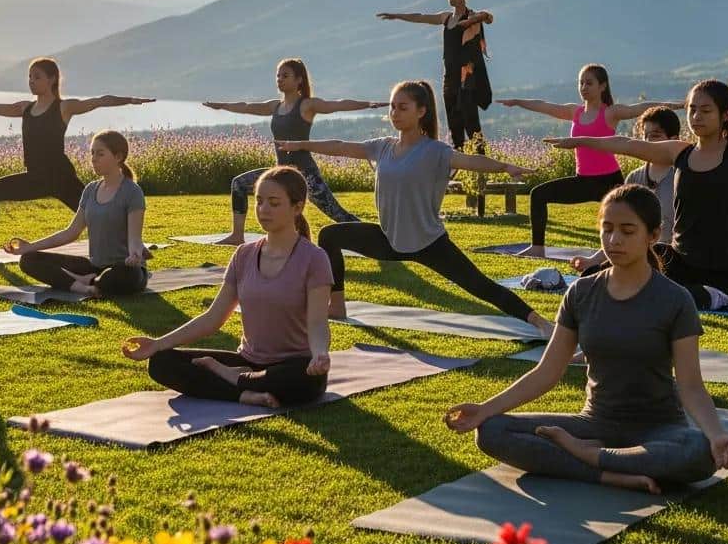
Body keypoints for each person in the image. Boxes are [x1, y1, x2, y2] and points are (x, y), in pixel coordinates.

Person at [445, 184, 728, 494]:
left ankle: (590, 457)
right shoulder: (582, 293)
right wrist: (485, 409)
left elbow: (691, 386)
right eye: (607, 229)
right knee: (492, 430)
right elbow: (547, 372)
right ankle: (609, 473)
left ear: (653, 235)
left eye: (628, 231)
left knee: (697, 451)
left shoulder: (675, 300)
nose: (614, 240)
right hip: (594, 424)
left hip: (658, 429)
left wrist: (716, 434)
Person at [544, 79, 728, 361]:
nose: (696, 117)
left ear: (725, 114)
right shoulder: (678, 152)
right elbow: (627, 144)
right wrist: (580, 140)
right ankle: (589, 347)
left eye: (705, 110)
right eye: (692, 109)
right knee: (599, 277)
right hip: (681, 260)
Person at [277, 80, 552, 334]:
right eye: (393, 107)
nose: (395, 113)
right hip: (388, 239)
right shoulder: (382, 147)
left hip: (429, 242)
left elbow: (470, 161)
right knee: (330, 235)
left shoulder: (435, 151)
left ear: (421, 111)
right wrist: (301, 144)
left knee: (481, 286)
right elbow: (339, 146)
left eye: (403, 107)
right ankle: (336, 306)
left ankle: (541, 322)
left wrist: (505, 167)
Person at [122, 166, 332, 408]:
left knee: (304, 380)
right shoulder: (244, 255)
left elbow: (317, 322)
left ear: (297, 207)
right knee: (161, 362)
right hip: (248, 360)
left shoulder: (314, 259)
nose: (263, 210)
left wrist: (319, 354)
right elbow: (213, 317)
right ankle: (244, 392)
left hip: (292, 364)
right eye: (260, 201)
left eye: (274, 203)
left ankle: (233, 378)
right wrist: (158, 343)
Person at [0, 57, 154, 260]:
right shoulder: (25, 108)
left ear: (52, 79)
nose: (31, 82)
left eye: (37, 77)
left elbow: (100, 101)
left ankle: (136, 245)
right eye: (29, 77)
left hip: (61, 177)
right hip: (35, 178)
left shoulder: (63, 108)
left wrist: (132, 100)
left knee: (99, 212)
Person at [498, 65, 684, 256]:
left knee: (629, 216)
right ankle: (537, 248)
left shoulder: (610, 113)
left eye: (589, 83)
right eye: (581, 83)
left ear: (602, 86)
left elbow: (642, 108)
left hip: (610, 180)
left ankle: (638, 249)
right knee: (538, 194)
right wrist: (518, 101)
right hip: (583, 180)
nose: (584, 87)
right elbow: (544, 105)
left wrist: (677, 105)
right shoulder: (574, 112)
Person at [202, 58, 386, 245]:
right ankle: (237, 236)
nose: (280, 79)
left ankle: (375, 239)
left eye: (285, 75)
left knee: (337, 213)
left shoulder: (306, 105)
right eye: (278, 76)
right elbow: (248, 107)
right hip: (281, 174)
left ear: (299, 80)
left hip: (305, 174)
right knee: (239, 184)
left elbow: (337, 104)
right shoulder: (275, 106)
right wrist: (221, 105)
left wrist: (368, 104)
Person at [4, 131, 148, 297]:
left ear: (118, 157)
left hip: (124, 267)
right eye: (92, 153)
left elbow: (135, 238)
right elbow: (71, 232)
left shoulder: (132, 192)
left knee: (121, 277)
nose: (94, 159)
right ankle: (84, 286)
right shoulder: (90, 190)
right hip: (94, 266)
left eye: (100, 154)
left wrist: (135, 254)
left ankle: (85, 281)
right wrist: (29, 247)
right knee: (29, 260)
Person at [377, 0, 493, 151]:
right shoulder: (446, 18)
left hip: (467, 77)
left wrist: (472, 20)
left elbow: (488, 17)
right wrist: (397, 16)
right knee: (454, 123)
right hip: (450, 77)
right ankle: (459, 161)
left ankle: (482, 166)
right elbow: (421, 17)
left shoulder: (473, 15)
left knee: (471, 122)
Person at [574, 105, 680, 274]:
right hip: (632, 256)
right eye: (645, 137)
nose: (648, 143)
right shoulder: (634, 178)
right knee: (590, 275)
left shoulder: (682, 178)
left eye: (655, 136)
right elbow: (618, 228)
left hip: (671, 261)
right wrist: (592, 260)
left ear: (674, 140)